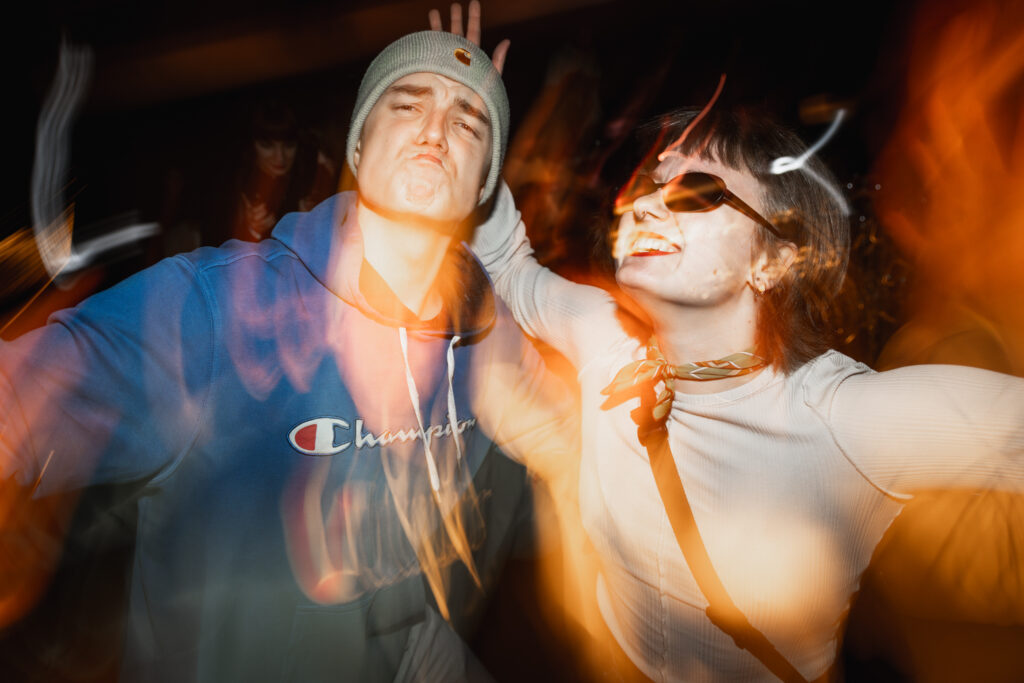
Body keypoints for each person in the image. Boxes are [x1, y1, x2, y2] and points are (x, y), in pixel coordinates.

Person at [0, 10, 573, 682]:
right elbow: (23, 391)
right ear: (356, 147)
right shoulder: (215, 310)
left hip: (404, 646)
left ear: (484, 188)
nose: (434, 131)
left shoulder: (485, 338)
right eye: (407, 105)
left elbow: (582, 445)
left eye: (468, 125)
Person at [471, 106, 1024, 681]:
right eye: (649, 188)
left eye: (696, 191)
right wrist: (475, 111)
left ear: (771, 260)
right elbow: (507, 265)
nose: (645, 206)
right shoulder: (600, 337)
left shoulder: (844, 418)